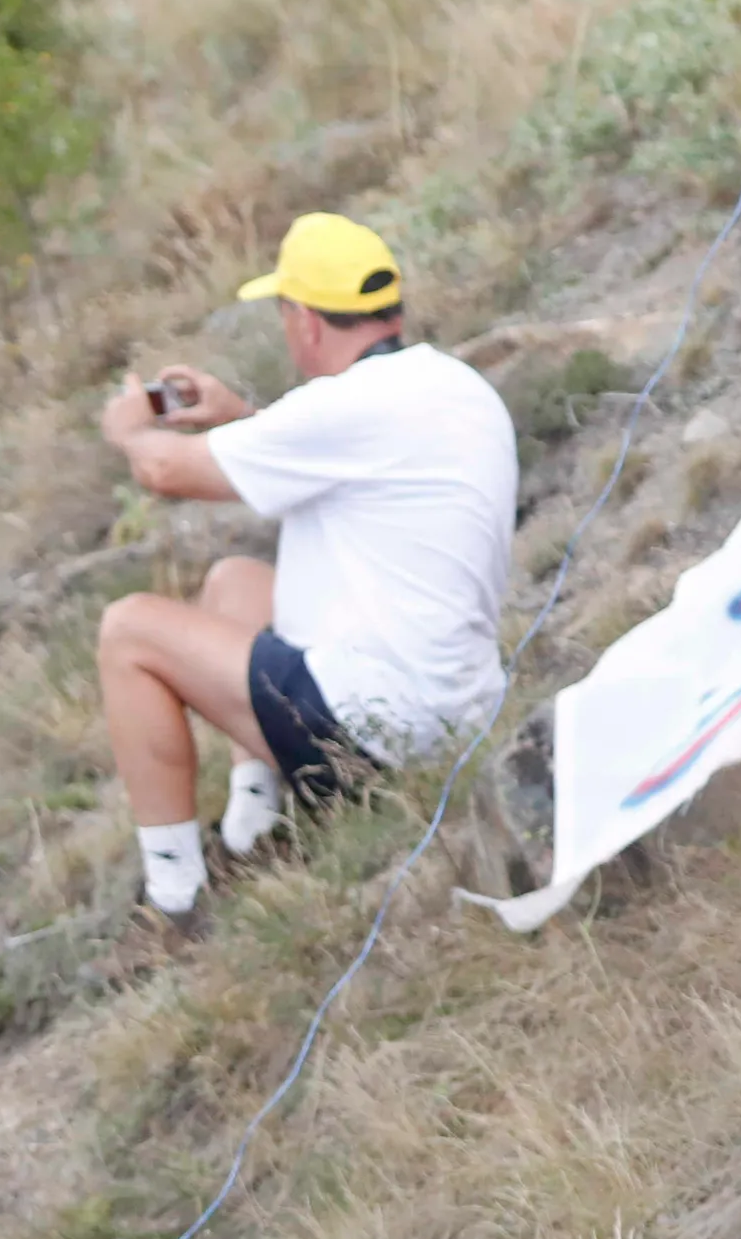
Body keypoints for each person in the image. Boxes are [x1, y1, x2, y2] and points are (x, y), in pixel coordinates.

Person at [92, 212, 517, 918]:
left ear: (307, 323)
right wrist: (239, 417)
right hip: (455, 710)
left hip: (378, 730)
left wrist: (129, 429)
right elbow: (346, 458)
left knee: (129, 631)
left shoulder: (343, 407)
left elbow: (166, 472)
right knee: (235, 583)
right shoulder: (450, 384)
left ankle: (172, 902)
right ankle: (258, 830)